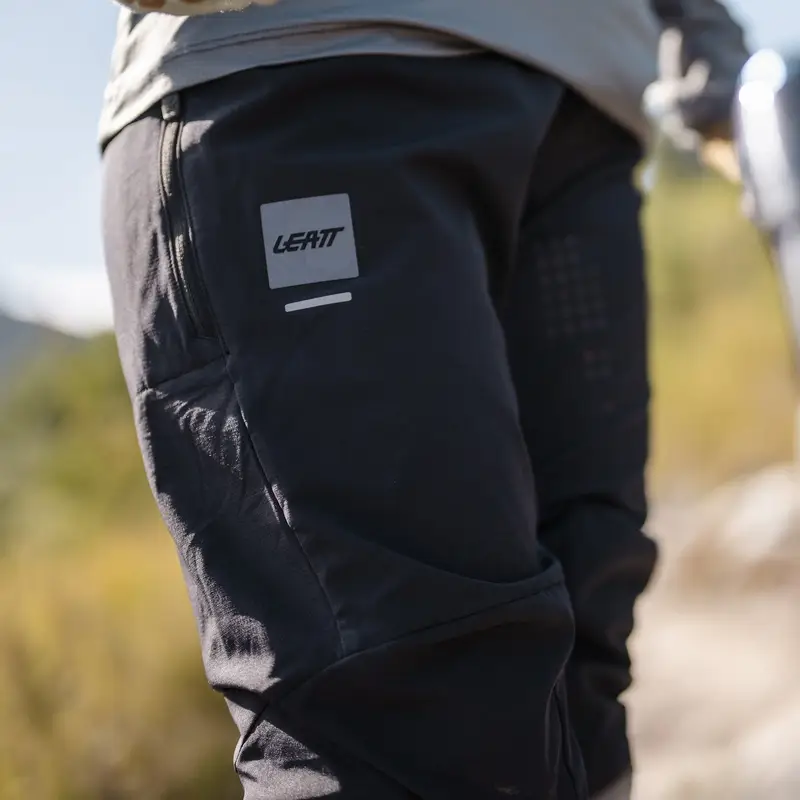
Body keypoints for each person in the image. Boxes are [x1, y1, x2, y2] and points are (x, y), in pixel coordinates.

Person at [99, 2, 749, 798]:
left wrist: (715, 55)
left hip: (585, 112)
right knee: (402, 692)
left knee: (587, 644)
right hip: (305, 68)